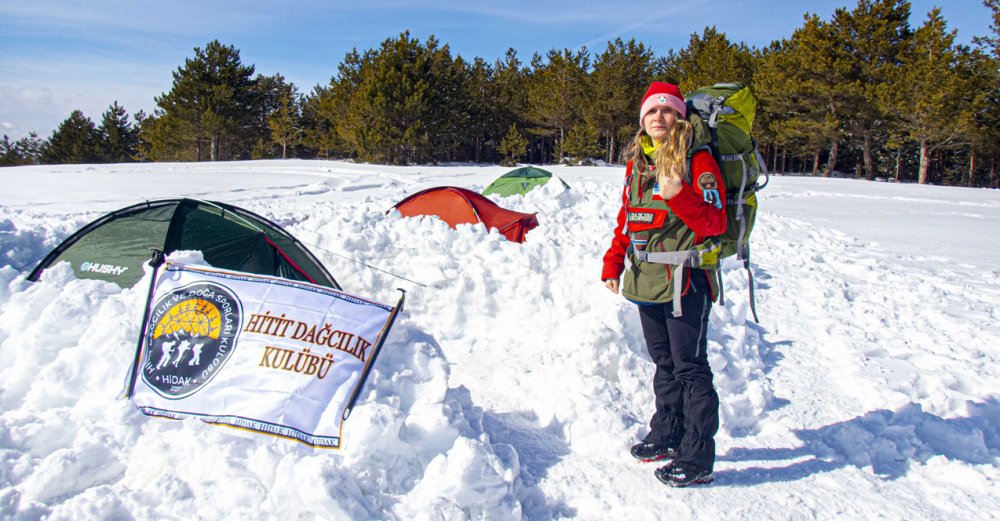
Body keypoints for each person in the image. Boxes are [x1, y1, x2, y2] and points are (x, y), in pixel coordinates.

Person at [601, 81, 726, 488]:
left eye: (667, 110)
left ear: (680, 118)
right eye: (651, 111)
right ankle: (668, 432)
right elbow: (628, 218)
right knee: (664, 363)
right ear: (642, 120)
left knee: (690, 368)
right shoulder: (638, 163)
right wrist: (613, 261)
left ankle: (697, 456)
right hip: (646, 278)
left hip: (685, 280)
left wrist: (680, 195)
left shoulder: (698, 160)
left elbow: (716, 222)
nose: (659, 117)